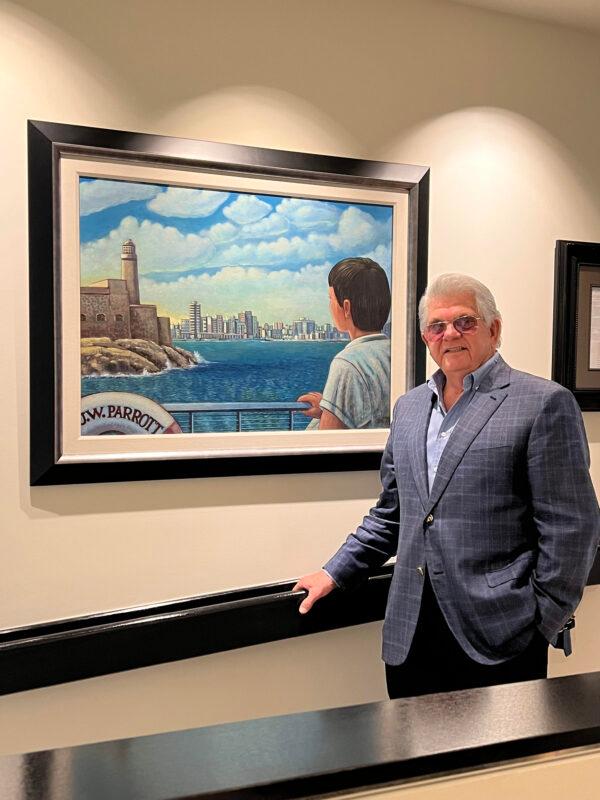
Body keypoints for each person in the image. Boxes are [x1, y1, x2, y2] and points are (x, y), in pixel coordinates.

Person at [293, 273, 600, 699]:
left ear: (494, 329)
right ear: (425, 338)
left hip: (501, 639)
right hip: (410, 635)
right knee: (414, 761)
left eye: (465, 322)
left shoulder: (543, 403)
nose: (450, 334)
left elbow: (573, 528)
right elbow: (393, 513)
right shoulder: (410, 408)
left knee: (498, 767)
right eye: (437, 326)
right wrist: (333, 572)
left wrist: (541, 619)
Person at [298, 257, 391, 429]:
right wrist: (328, 409)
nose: (329, 307)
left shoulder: (346, 363)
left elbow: (328, 443)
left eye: (330, 299)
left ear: (346, 307)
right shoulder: (394, 353)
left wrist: (328, 414)